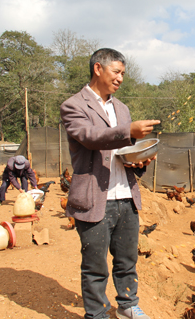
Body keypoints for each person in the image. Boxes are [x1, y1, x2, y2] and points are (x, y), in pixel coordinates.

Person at [60, 48, 160, 319]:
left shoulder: (122, 108)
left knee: (127, 260)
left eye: (123, 74)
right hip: (94, 197)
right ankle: (97, 314)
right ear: (98, 69)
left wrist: (138, 161)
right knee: (95, 267)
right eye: (116, 72)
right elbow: (90, 137)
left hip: (126, 195)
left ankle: (127, 306)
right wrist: (128, 132)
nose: (120, 79)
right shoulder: (74, 106)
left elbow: (123, 151)